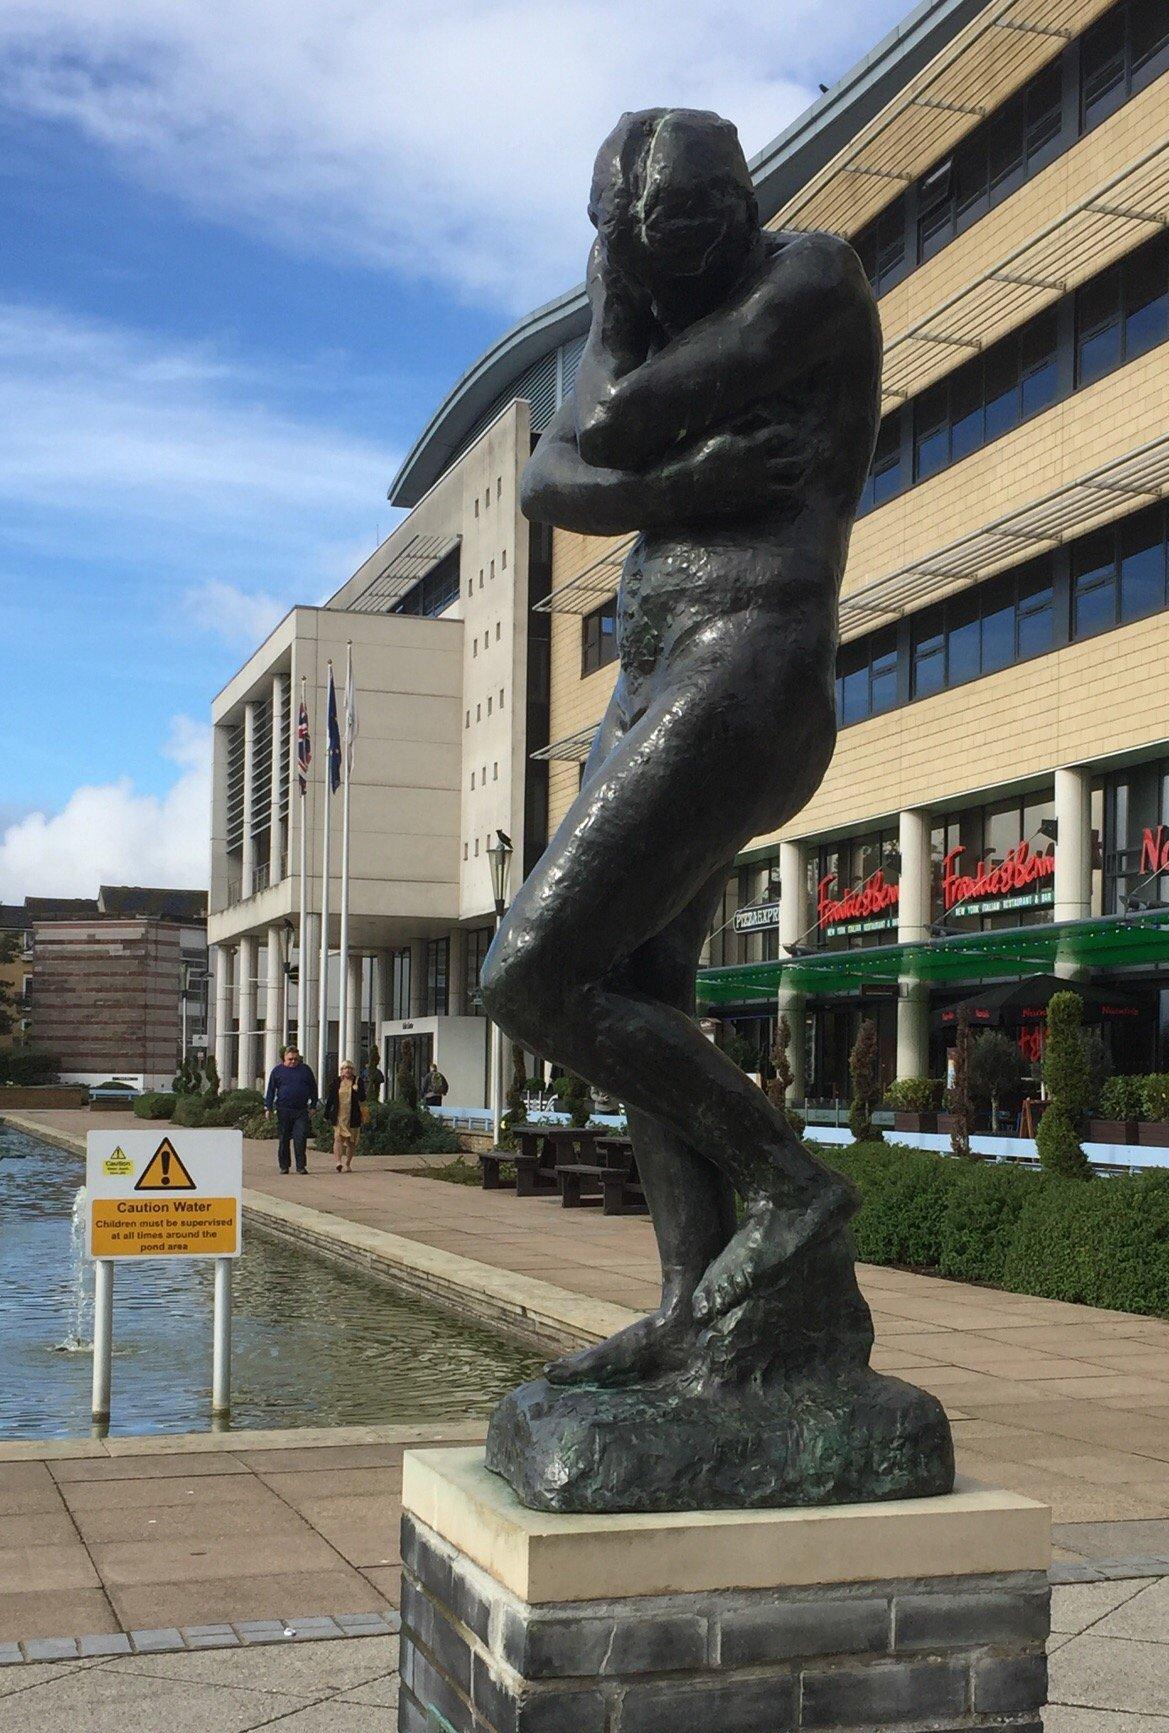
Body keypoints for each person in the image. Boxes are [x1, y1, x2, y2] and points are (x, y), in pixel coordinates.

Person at [483, 107, 881, 1388]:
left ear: (739, 205)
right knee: (637, 985)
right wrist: (674, 494)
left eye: (688, 222)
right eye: (638, 235)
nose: (670, 253)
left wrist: (612, 297)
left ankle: (787, 1183)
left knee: (528, 972)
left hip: (747, 669)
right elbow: (546, 480)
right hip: (656, 681)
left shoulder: (809, 279)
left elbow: (603, 420)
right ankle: (687, 1304)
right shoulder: (662, 308)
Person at [264, 1045, 318, 1175]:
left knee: (300, 1138)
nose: (293, 1061)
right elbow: (271, 1090)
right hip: (283, 1110)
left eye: (295, 1059)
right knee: (284, 1139)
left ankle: (301, 1166)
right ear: (284, 1058)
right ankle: (284, 1166)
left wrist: (313, 1106)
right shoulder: (277, 1071)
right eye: (290, 1059)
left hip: (301, 1110)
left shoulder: (305, 1070)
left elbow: (313, 1088)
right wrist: (268, 1108)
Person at [324, 1060, 365, 1173]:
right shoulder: (336, 1082)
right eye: (345, 1068)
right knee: (338, 1138)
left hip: (353, 1116)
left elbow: (363, 1098)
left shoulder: (358, 1081)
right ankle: (338, 1162)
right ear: (341, 1070)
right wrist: (326, 1114)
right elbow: (331, 1099)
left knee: (351, 1141)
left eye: (350, 1068)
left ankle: (348, 1163)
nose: (347, 1070)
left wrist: (357, 1090)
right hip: (339, 1116)